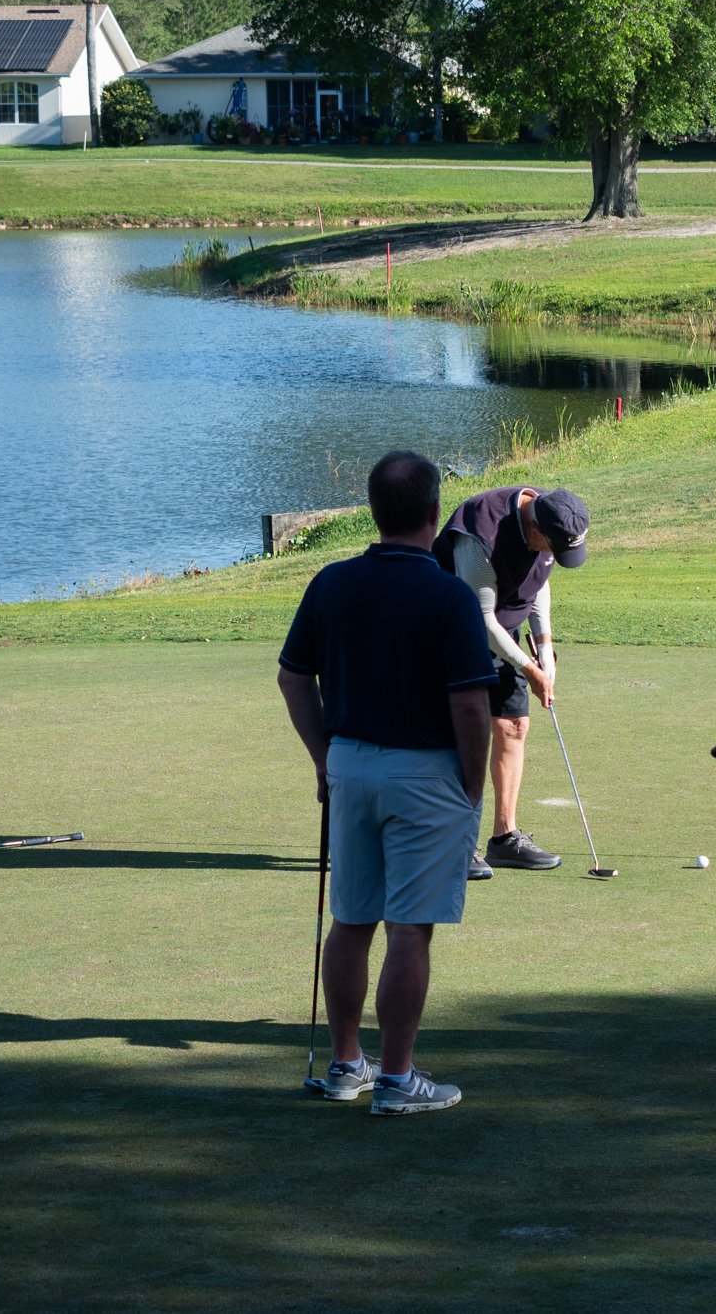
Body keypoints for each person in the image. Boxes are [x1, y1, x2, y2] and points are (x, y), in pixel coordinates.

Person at [278, 450, 496, 1114]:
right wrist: (473, 786)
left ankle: (347, 1064)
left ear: (373, 511)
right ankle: (398, 1078)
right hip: (426, 773)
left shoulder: (332, 581)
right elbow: (470, 706)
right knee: (409, 928)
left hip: (350, 764)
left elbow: (294, 678)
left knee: (351, 920)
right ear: (434, 512)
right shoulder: (449, 595)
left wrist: (324, 758)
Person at [435, 484, 592, 878]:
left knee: (514, 724)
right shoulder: (480, 536)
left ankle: (504, 838)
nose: (553, 554)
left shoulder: (550, 519)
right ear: (535, 529)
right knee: (460, 732)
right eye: (552, 546)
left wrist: (545, 647)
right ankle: (453, 843)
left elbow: (539, 582)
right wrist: (529, 669)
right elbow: (482, 620)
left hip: (501, 630)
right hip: (450, 628)